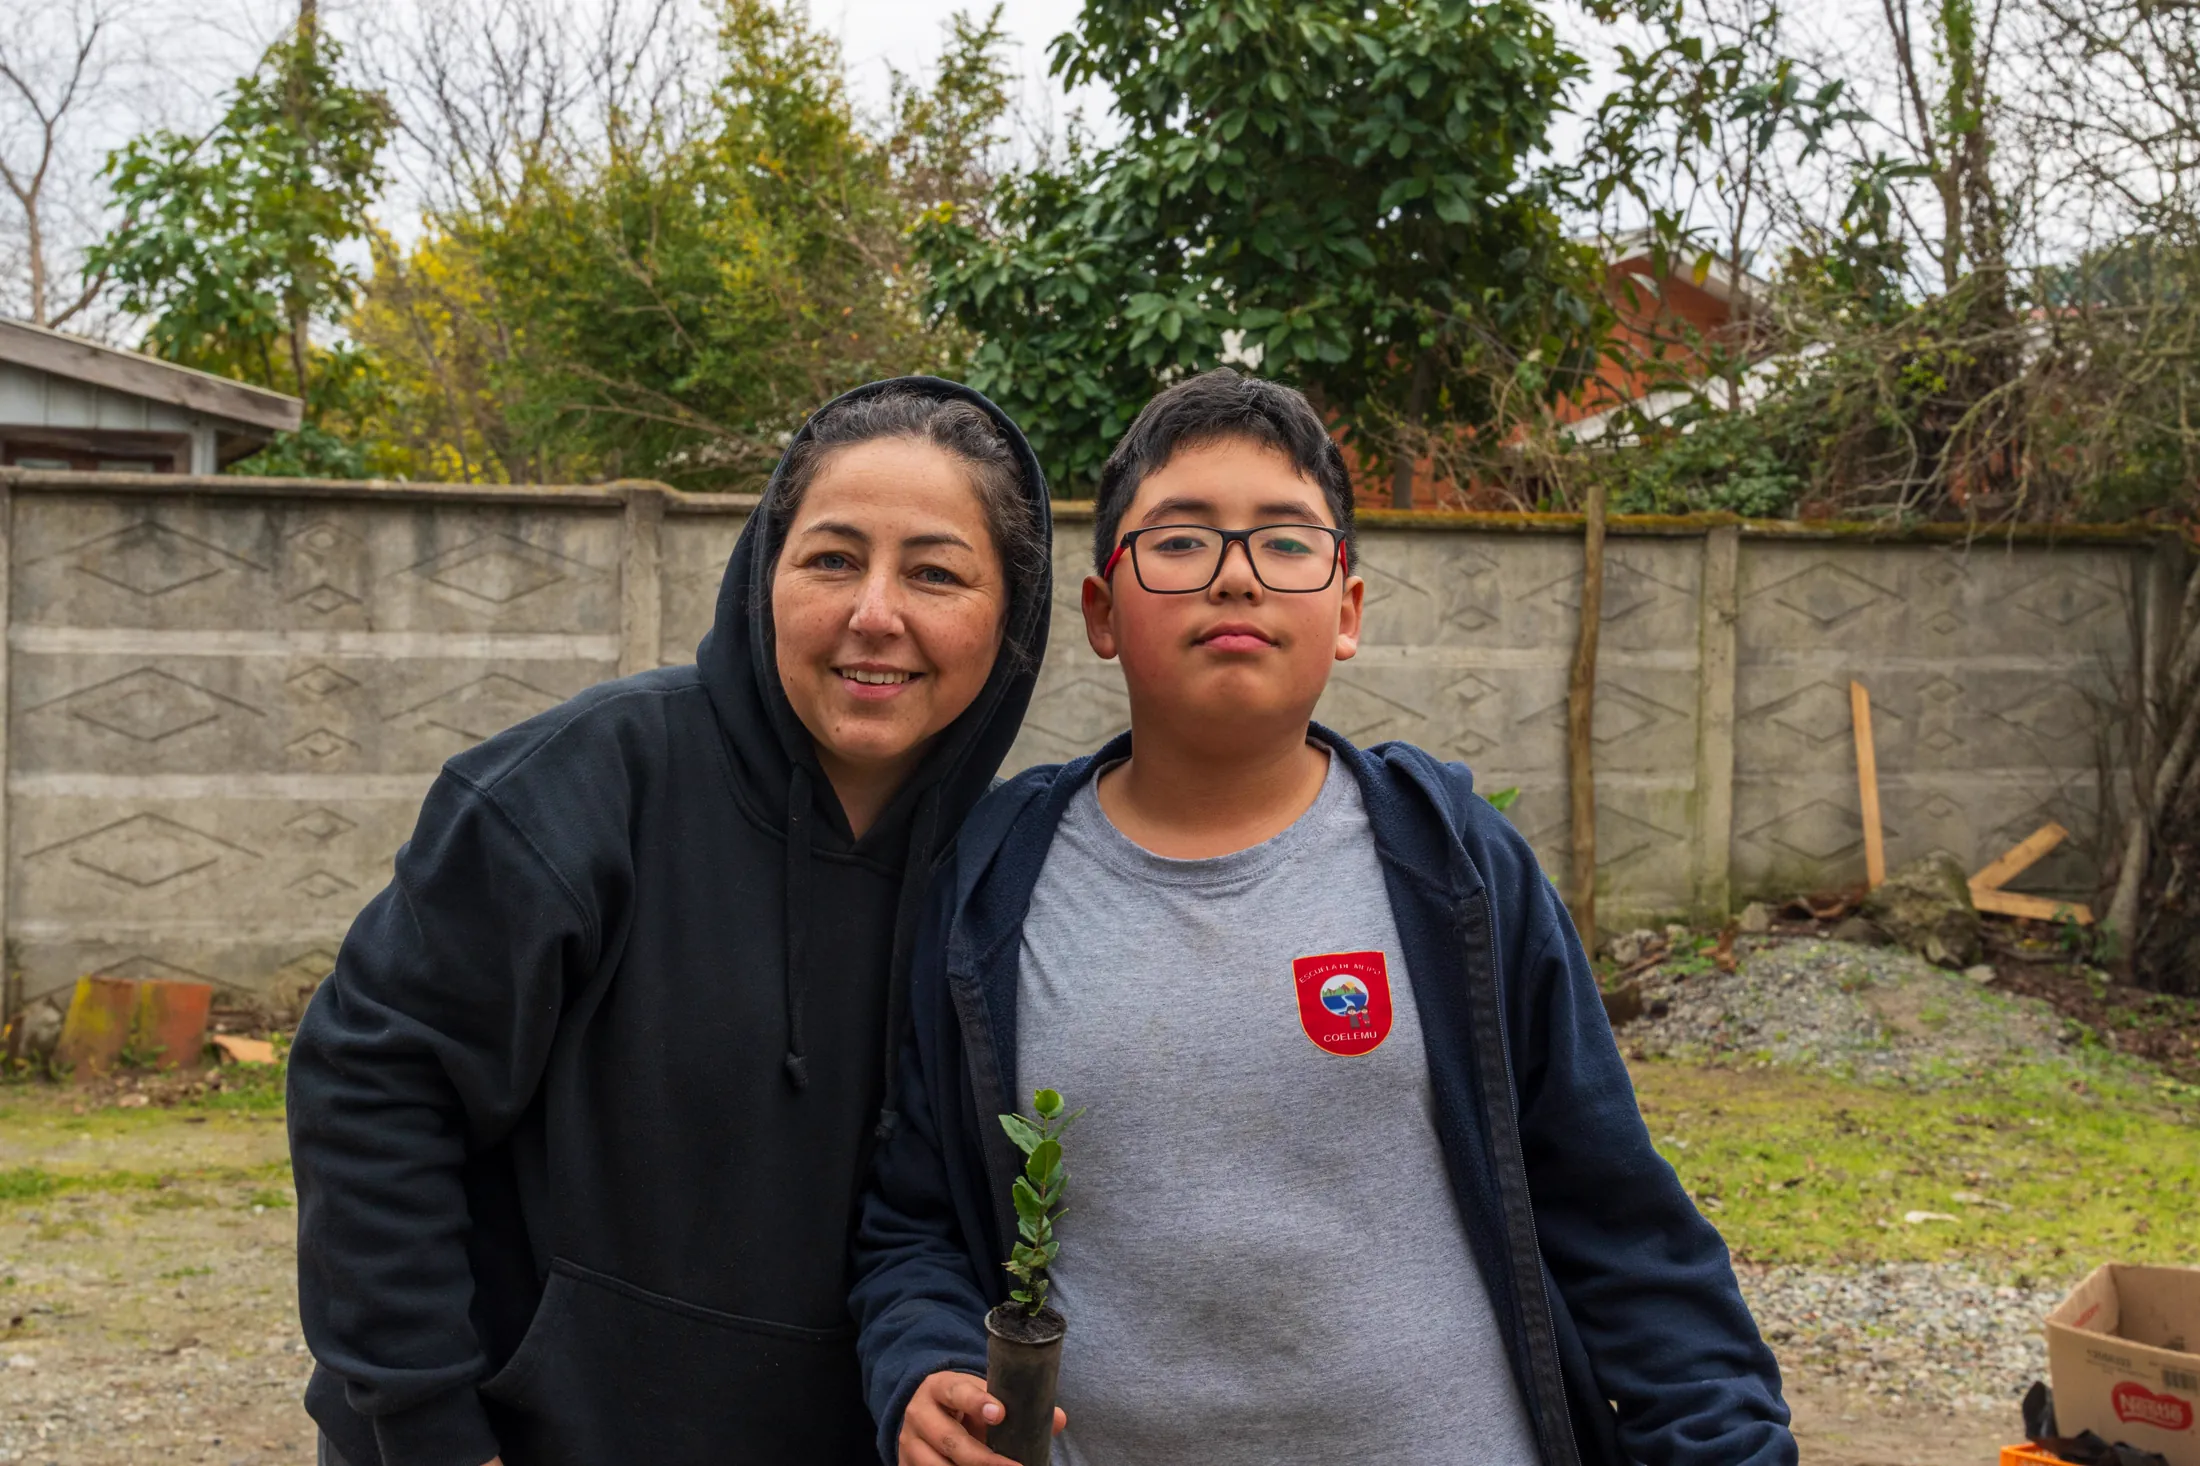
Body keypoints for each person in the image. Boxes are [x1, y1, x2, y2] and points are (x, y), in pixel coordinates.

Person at [849, 369, 1796, 1466]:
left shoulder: (1454, 869)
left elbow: (1621, 1223)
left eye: (1287, 543)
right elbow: (912, 1220)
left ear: (1345, 611)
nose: (1236, 579)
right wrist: (920, 1365)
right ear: (1102, 611)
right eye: (1181, 541)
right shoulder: (992, 881)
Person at [287, 378, 1052, 1466]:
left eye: (934, 572)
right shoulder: (581, 788)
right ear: (762, 576)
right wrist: (431, 1431)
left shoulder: (997, 876)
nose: (875, 611)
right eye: (832, 558)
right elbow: (369, 1089)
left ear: (1009, 613)